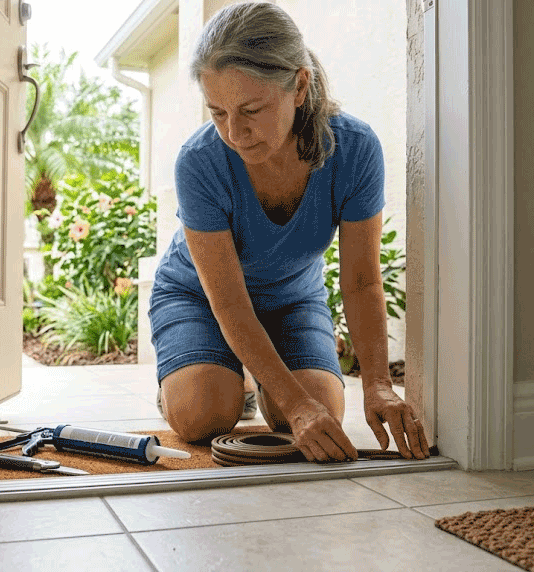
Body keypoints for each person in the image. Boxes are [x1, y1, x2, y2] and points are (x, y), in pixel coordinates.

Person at [149, 2, 429, 462]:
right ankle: (202, 374)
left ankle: (257, 375)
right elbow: (230, 303)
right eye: (217, 112)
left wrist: (379, 386)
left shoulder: (355, 149)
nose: (234, 132)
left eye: (251, 110)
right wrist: (298, 406)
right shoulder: (199, 162)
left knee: (321, 412)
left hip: (293, 300)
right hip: (198, 296)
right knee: (204, 414)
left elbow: (361, 282)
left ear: (299, 86)